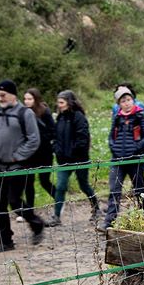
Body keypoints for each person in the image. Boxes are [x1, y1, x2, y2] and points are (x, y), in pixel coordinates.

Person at [0, 80, 46, 252]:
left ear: (13, 94)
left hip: (17, 167)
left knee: (14, 201)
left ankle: (37, 225)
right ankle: (5, 241)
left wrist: (17, 157)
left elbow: (33, 140)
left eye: (3, 95)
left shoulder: (25, 113)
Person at [102, 86, 144, 230]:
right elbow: (111, 136)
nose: (127, 103)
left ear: (133, 100)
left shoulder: (141, 115)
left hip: (135, 160)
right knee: (114, 191)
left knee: (139, 190)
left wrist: (136, 149)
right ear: (119, 103)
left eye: (129, 99)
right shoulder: (117, 117)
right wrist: (113, 148)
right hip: (117, 160)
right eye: (123, 101)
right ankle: (109, 222)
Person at [52, 90, 99, 225]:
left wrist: (72, 152)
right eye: (58, 102)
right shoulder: (59, 118)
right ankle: (56, 216)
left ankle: (96, 208)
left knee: (84, 185)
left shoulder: (79, 117)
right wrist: (56, 149)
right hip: (63, 160)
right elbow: (56, 137)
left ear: (69, 103)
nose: (59, 105)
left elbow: (83, 139)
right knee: (60, 186)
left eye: (62, 102)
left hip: (80, 160)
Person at [22, 89, 56, 216]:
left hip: (44, 153)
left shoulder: (44, 111)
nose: (27, 102)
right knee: (28, 181)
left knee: (44, 181)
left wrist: (42, 139)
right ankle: (29, 209)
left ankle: (60, 200)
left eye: (30, 99)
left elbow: (53, 130)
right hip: (29, 154)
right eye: (25, 99)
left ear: (36, 99)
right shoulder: (24, 112)